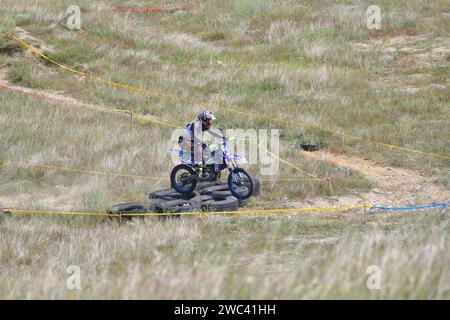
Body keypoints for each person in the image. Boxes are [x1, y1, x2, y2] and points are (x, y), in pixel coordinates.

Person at [178, 110, 223, 174]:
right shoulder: (196, 124)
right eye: (208, 120)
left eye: (210, 120)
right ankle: (199, 169)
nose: (209, 122)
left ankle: (207, 169)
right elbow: (196, 137)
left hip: (190, 141)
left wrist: (223, 137)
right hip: (184, 141)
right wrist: (202, 143)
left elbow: (213, 132)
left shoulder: (203, 125)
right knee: (199, 148)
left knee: (208, 148)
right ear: (203, 120)